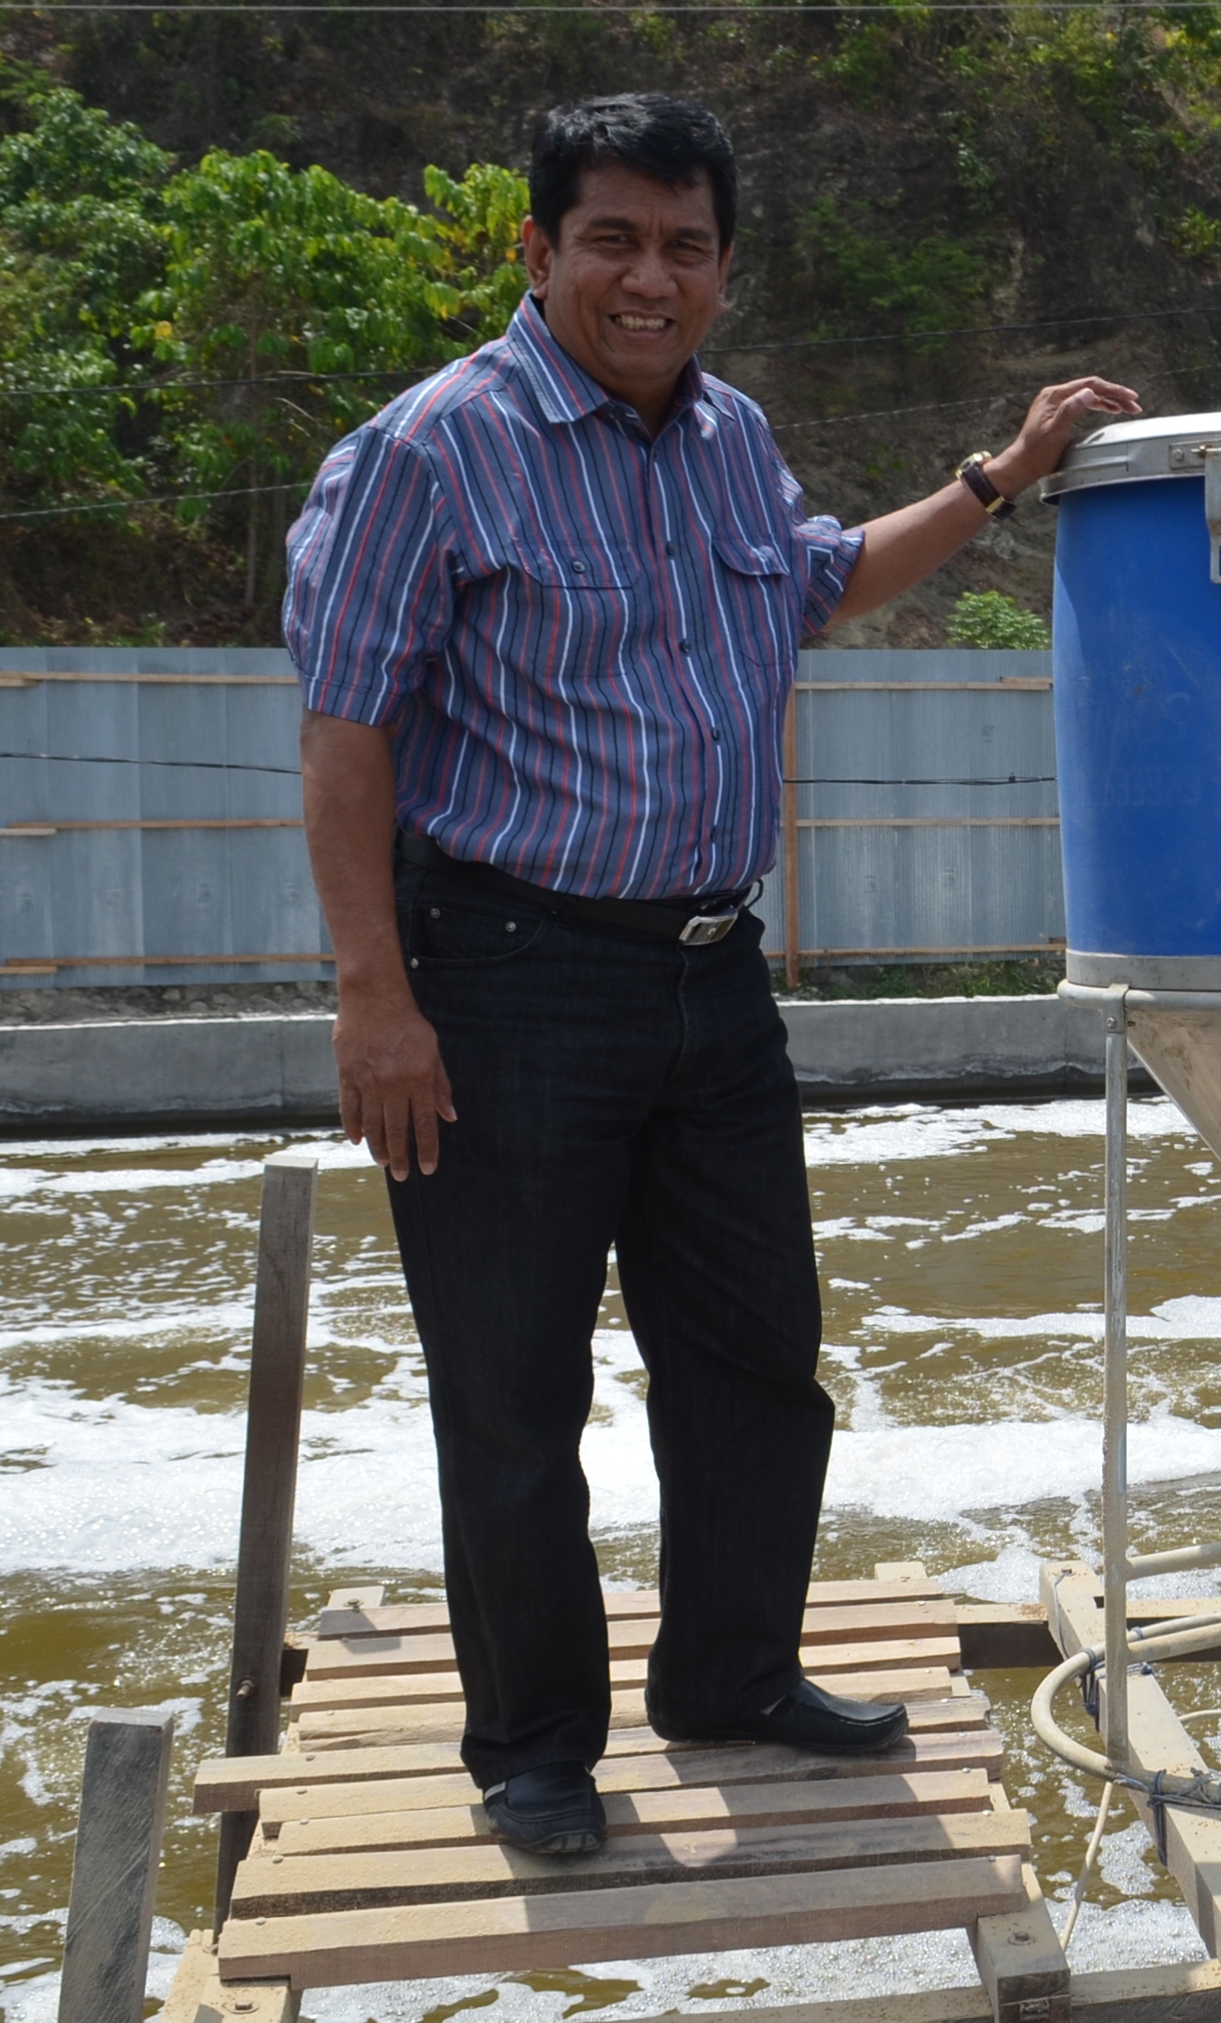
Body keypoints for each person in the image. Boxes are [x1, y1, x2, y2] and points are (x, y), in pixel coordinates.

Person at [284, 92, 1138, 1857]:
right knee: (512, 1388)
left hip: (709, 978)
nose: (647, 277)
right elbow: (346, 727)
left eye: (683, 247)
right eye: (610, 239)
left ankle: (730, 1675)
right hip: (504, 977)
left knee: (756, 1360)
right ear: (540, 252)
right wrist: (376, 998)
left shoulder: (732, 438)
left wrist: (1002, 473)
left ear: (723, 271)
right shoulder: (428, 450)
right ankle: (532, 1746)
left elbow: (820, 589)